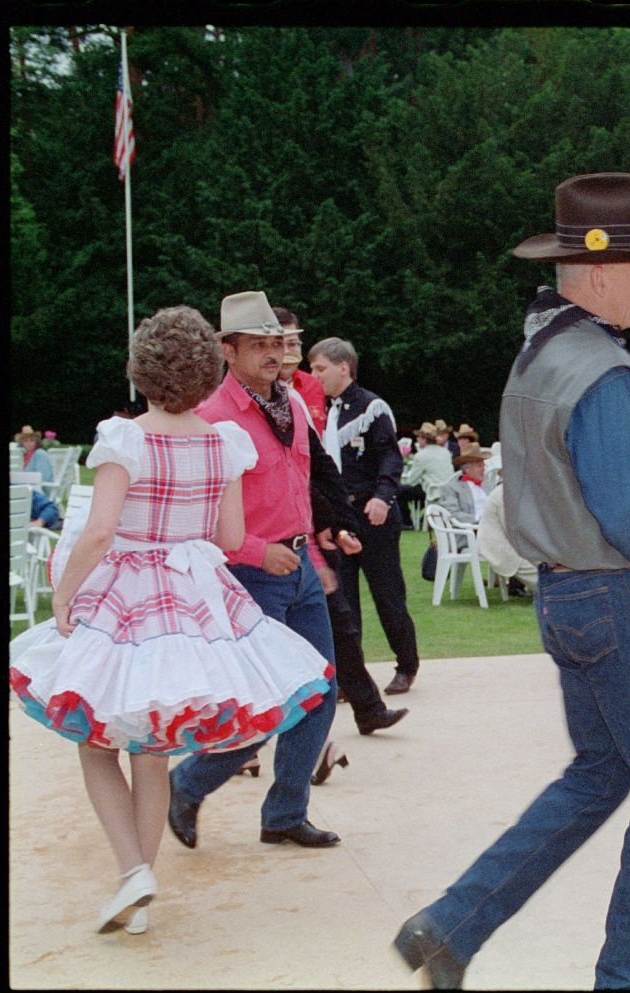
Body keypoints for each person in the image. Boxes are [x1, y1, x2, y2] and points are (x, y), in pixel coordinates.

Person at [393, 171, 630, 990]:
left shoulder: (542, 350)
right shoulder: (601, 369)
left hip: (568, 598)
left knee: (601, 773)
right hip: (616, 598)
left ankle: (450, 927)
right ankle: (627, 978)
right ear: (601, 270)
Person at [9, 304, 334, 936]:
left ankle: (134, 872)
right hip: (194, 599)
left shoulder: (125, 437)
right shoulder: (224, 442)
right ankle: (141, 887)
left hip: (124, 597)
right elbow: (231, 534)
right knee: (152, 751)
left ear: (141, 368)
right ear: (210, 368)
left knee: (96, 738)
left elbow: (101, 531)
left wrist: (63, 597)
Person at [165, 290, 361, 855]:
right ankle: (189, 781)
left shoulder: (293, 405)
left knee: (319, 691)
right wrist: (256, 550)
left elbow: (309, 478)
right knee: (269, 699)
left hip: (298, 567)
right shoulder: (210, 416)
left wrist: (327, 531)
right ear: (228, 350)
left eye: (278, 344)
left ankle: (284, 814)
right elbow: (191, 511)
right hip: (247, 576)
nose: (274, 355)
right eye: (259, 345)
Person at [274, 305, 407, 741]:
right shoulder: (292, 398)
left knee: (360, 606)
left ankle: (389, 682)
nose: (292, 353)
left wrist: (347, 516)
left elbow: (321, 464)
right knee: (329, 616)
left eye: (296, 344)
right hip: (285, 529)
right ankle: (338, 718)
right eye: (286, 343)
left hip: (328, 520)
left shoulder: (323, 399)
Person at [309, 336, 423, 696]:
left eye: (320, 368)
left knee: (387, 594)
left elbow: (390, 456)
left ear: (344, 367)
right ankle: (351, 678)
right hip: (339, 517)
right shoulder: (319, 411)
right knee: (344, 601)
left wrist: (383, 497)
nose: (313, 375)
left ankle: (406, 664)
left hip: (371, 512)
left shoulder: (372, 407)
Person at [475, 460, 536, 597]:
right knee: (542, 573)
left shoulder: (514, 492)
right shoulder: (504, 494)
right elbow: (512, 529)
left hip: (510, 542)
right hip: (498, 547)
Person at [273, 306, 328, 432]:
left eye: (292, 344)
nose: (286, 352)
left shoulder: (313, 385)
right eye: (277, 345)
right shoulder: (254, 388)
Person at [401, 422, 456, 509]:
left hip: (434, 492)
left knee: (400, 490)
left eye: (419, 437)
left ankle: (407, 521)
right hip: (449, 490)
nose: (417, 439)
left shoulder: (421, 455)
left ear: (424, 439)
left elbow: (411, 481)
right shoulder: (445, 452)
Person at [437, 441, 489, 525]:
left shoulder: (487, 485)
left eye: (484, 465)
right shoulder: (451, 488)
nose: (484, 469)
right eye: (479, 466)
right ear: (467, 469)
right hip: (469, 533)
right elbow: (453, 514)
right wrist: (480, 519)